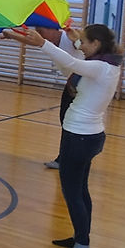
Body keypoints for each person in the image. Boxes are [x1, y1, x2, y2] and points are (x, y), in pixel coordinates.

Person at [2, 25, 121, 248]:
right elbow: (77, 57)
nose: (81, 47)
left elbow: (73, 63)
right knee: (80, 190)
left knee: (73, 192)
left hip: (80, 137)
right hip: (87, 136)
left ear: (96, 45)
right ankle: (80, 238)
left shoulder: (99, 67)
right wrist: (76, 41)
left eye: (85, 43)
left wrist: (42, 43)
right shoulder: (108, 64)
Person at [36, 26, 81, 170]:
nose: (39, 33)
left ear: (53, 29)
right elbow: (32, 40)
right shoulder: (49, 42)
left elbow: (80, 44)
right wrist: (10, 35)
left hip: (81, 85)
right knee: (65, 119)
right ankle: (66, 158)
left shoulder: (69, 37)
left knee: (73, 122)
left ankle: (70, 160)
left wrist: (78, 39)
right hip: (72, 84)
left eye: (41, 30)